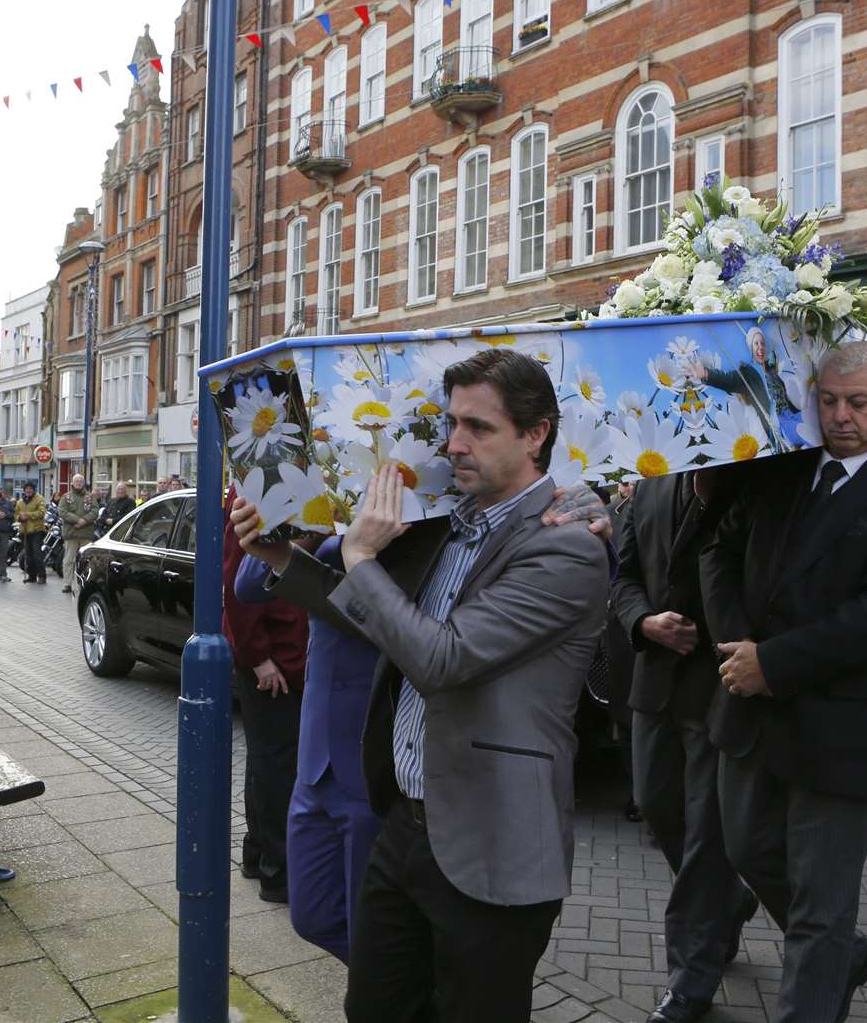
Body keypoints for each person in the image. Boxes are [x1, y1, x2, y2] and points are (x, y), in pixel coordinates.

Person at [232, 348, 612, 1022]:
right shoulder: (446, 523)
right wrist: (277, 555)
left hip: (493, 842)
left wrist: (359, 553)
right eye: (452, 423)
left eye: (479, 428)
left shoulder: (566, 545)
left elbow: (441, 660)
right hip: (404, 825)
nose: (454, 444)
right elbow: (377, 621)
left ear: (536, 434)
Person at [699, 341, 867, 1022]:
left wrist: (772, 663)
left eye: (859, 403)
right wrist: (737, 649)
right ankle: (843, 953)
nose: (840, 416)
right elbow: (718, 551)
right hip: (746, 709)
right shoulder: (779, 471)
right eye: (829, 400)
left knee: (819, 904)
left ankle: (821, 973)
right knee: (746, 848)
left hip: (836, 727)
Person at [612, 467, 758, 1023]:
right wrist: (644, 622)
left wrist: (708, 500)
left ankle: (690, 978)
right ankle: (732, 901)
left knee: (705, 837)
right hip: (654, 687)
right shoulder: (648, 485)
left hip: (719, 688)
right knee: (654, 804)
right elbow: (624, 577)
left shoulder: (749, 486)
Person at [235, 531, 381, 963]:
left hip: (370, 755)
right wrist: (287, 527)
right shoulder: (324, 530)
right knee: (311, 916)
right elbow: (244, 585)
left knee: (370, 929)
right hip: (316, 759)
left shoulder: (409, 525)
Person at [222, 488, 309, 905]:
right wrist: (258, 656)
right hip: (274, 654)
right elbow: (239, 576)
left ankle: (258, 855)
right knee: (278, 766)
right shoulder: (262, 484)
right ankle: (278, 873)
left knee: (266, 759)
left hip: (281, 651)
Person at [689, 326, 806, 453]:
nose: (760, 347)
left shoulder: (771, 371)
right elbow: (729, 380)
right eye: (756, 343)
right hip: (780, 425)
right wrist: (706, 374)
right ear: (751, 347)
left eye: (762, 343)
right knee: (808, 431)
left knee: (812, 420)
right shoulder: (748, 373)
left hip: (791, 415)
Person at [57, 474, 102, 593]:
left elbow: (95, 511)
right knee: (68, 560)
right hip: (71, 534)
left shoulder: (91, 497)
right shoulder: (66, 497)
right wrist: (77, 520)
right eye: (76, 481)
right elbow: (62, 511)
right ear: (72, 483)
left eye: (80, 481)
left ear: (84, 483)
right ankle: (67, 583)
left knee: (86, 560)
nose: (78, 483)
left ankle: (85, 582)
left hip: (86, 534)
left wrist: (84, 521)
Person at [15, 482, 48, 584]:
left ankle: (42, 576)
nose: (28, 491)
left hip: (36, 531)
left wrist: (27, 515)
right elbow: (16, 514)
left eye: (30, 489)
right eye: (26, 489)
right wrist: (19, 517)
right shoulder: (20, 501)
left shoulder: (39, 499)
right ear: (24, 490)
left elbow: (42, 513)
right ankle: (31, 576)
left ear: (34, 490)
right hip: (24, 531)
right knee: (28, 555)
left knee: (37, 554)